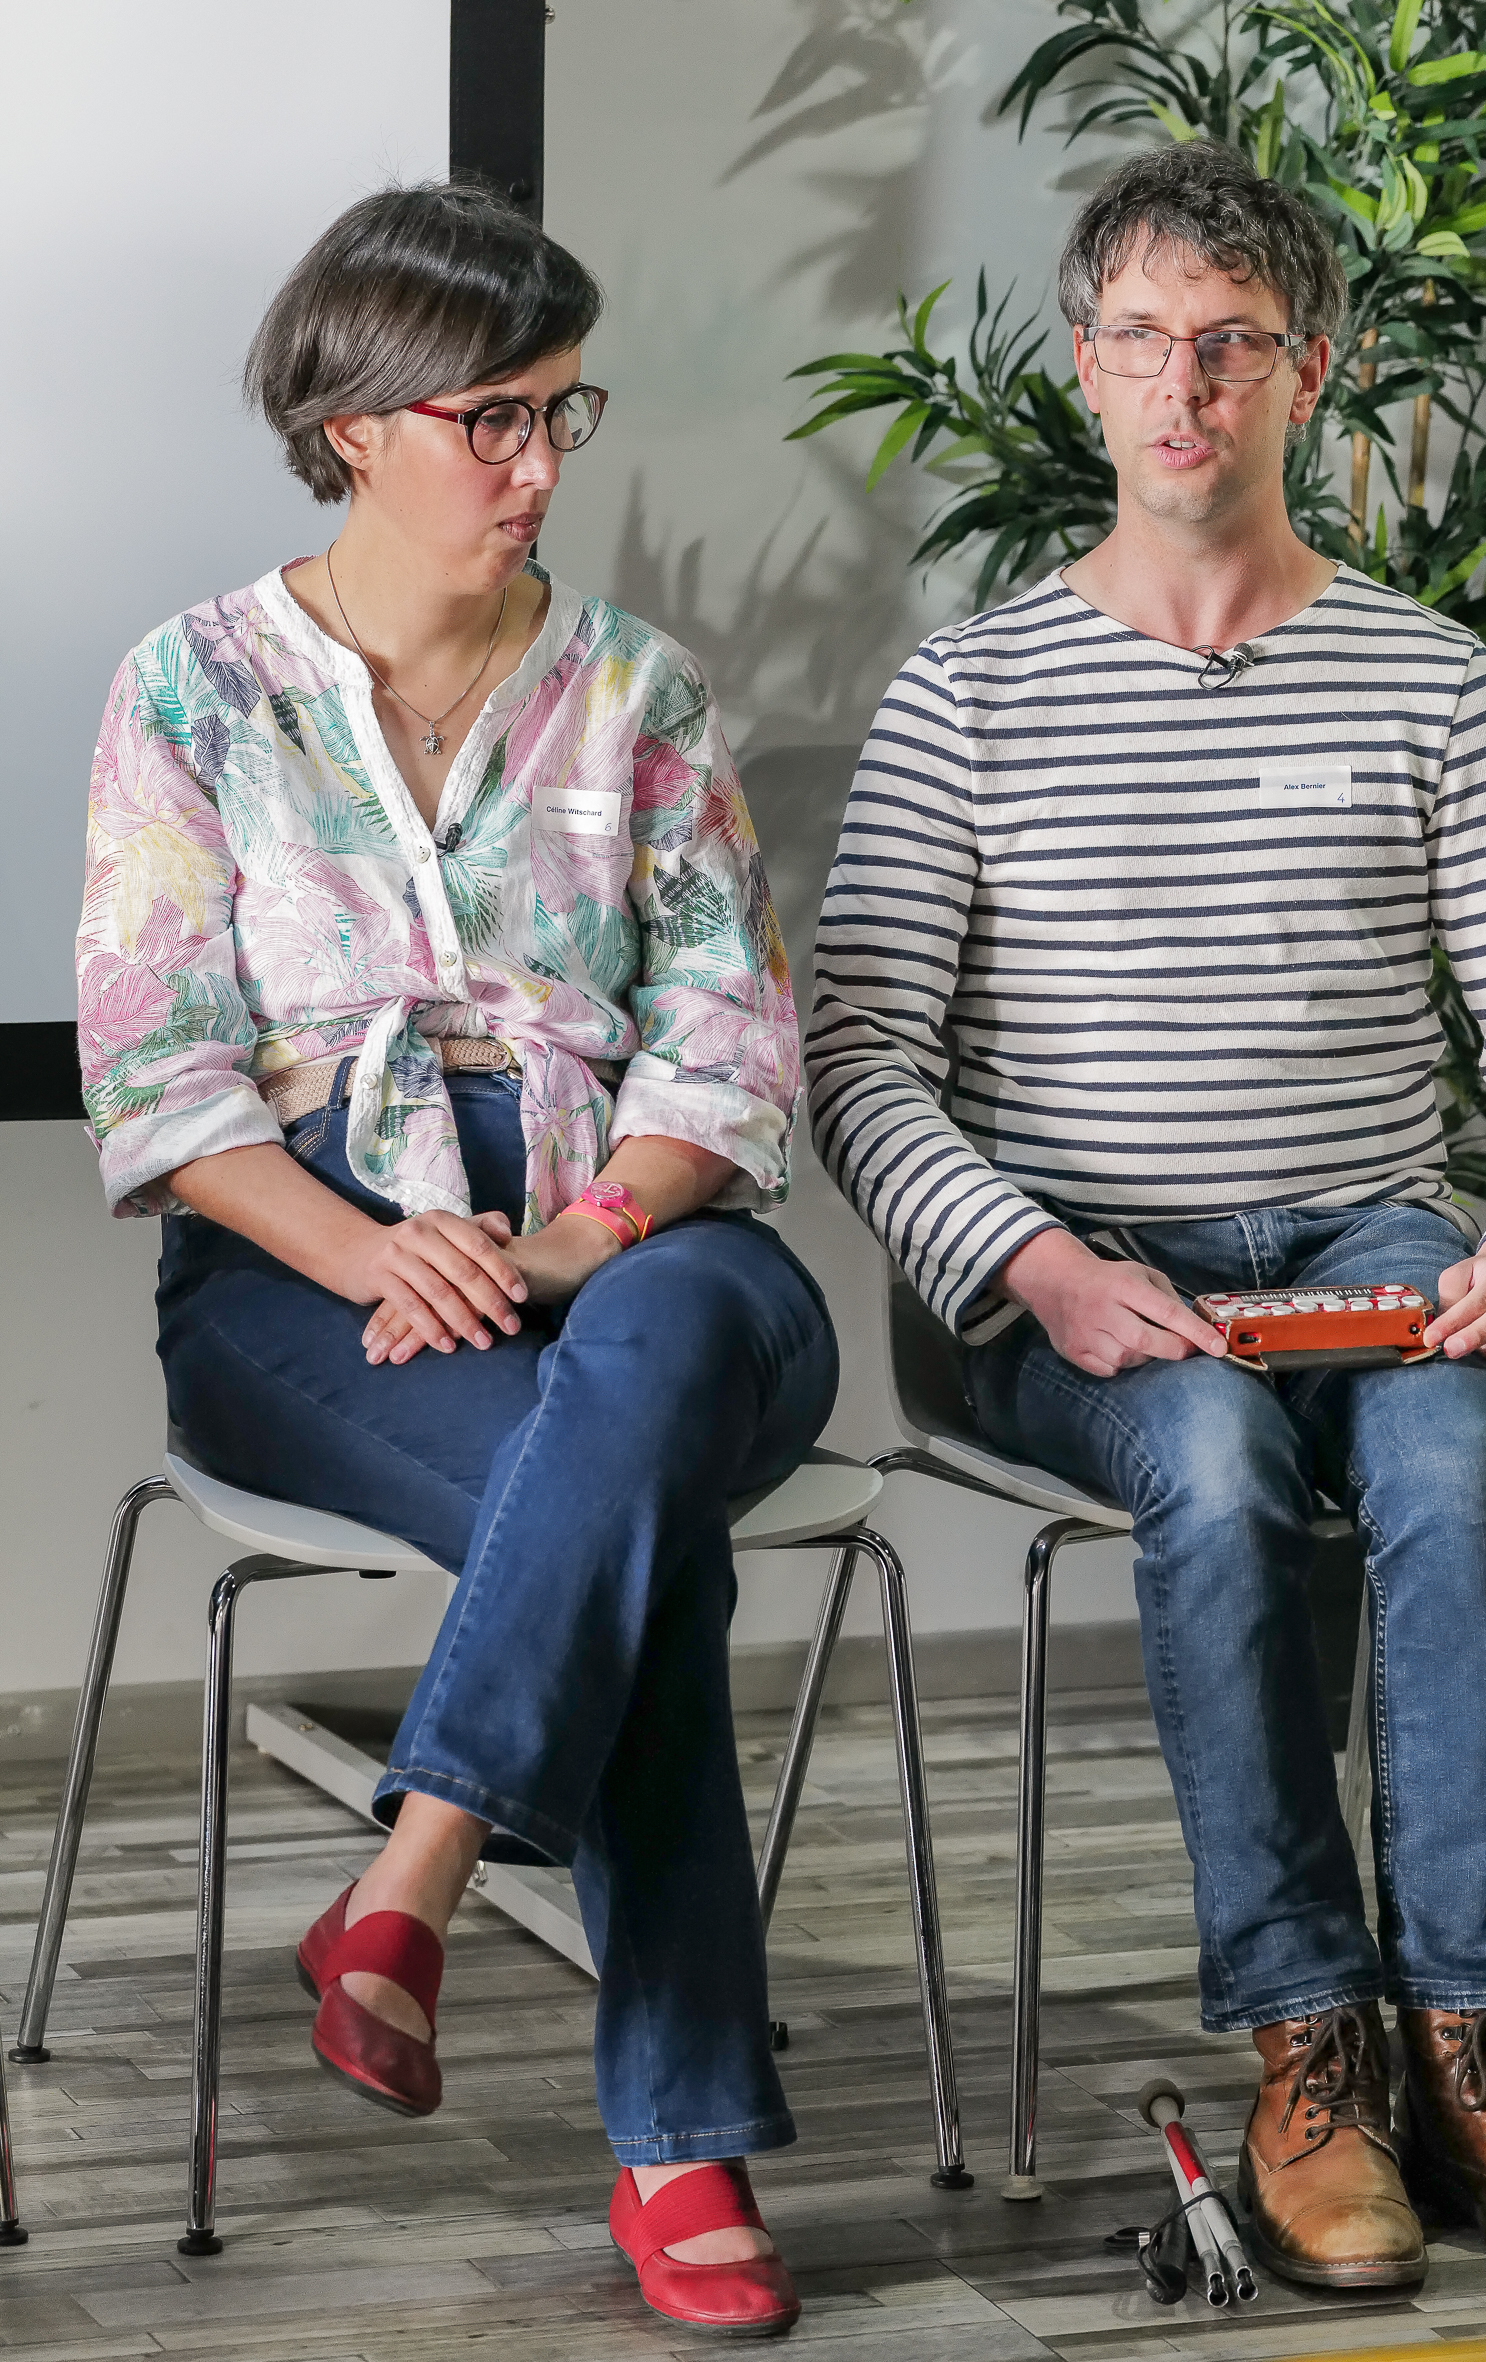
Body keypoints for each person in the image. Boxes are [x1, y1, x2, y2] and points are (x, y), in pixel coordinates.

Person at [808, 141, 1486, 2287]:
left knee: (1452, 1446)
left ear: (1308, 373)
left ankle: (1474, 2034)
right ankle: (1306, 2034)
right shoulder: (966, 693)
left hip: (1369, 1232)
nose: (1179, 385)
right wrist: (1042, 1266)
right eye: (1137, 342)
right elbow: (860, 1064)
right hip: (1063, 1257)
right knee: (1201, 1459)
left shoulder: (1424, 678)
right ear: (1081, 373)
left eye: (1229, 344)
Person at [76, 179, 832, 2338]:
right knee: (628, 1516)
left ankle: (410, 1870)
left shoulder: (639, 689)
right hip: (300, 1267)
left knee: (646, 1366)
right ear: (350, 424)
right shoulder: (193, 690)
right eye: (489, 418)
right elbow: (162, 1078)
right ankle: (676, 2140)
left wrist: (569, 1229)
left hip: (646, 1235)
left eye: (556, 414)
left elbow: (730, 1046)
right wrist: (378, 1250)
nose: (535, 463)